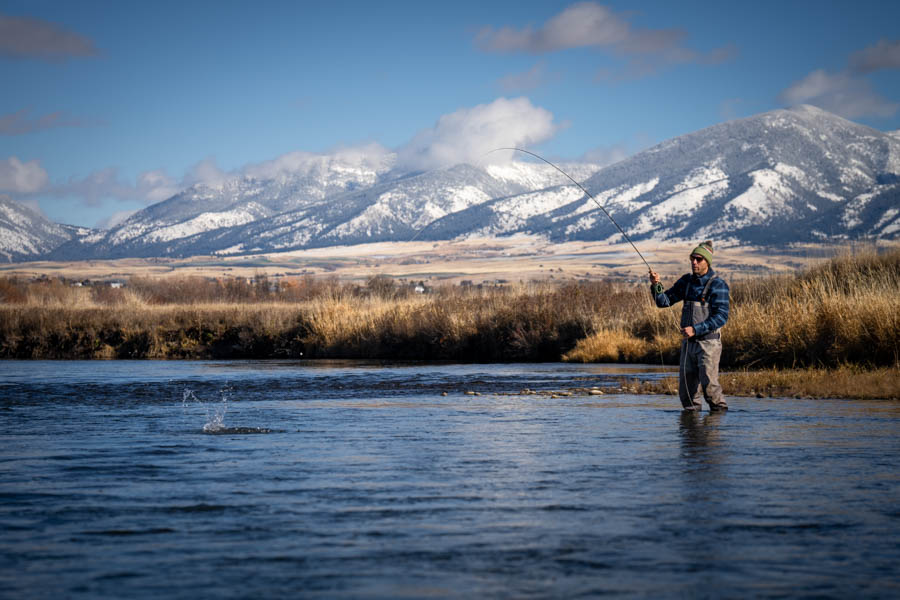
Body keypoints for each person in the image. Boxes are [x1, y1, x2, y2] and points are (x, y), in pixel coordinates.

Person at [649, 241, 729, 411]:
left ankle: (716, 428)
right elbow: (664, 302)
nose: (694, 262)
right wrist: (656, 285)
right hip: (688, 345)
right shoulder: (686, 281)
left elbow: (721, 317)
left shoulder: (718, 285)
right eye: (692, 258)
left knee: (710, 390)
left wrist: (696, 329)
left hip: (709, 344)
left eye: (698, 259)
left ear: (707, 261)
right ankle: (691, 434)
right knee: (687, 395)